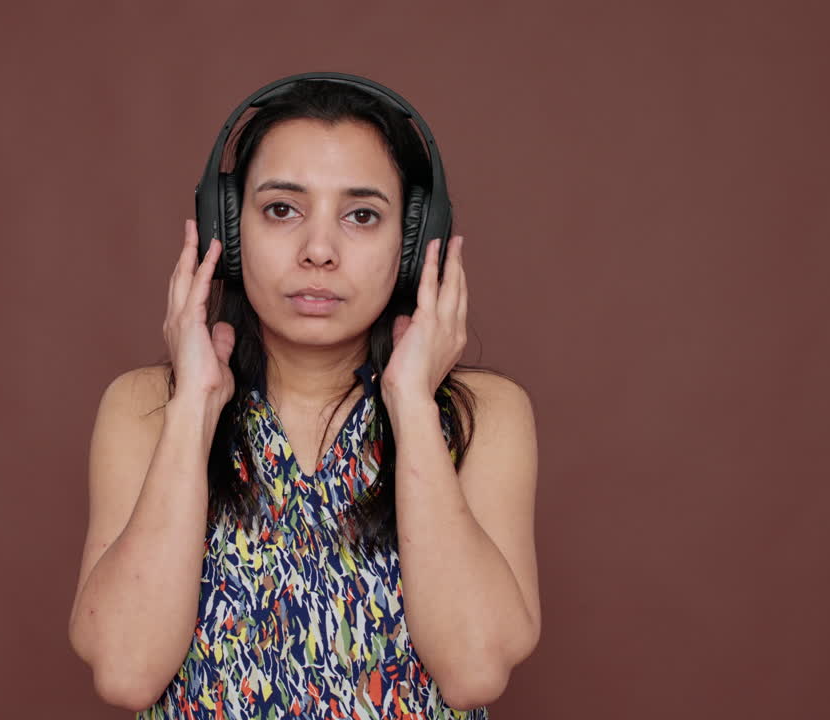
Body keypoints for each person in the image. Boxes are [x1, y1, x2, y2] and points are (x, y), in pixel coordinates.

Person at [68, 76, 540, 720]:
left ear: (412, 244)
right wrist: (195, 406)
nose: (319, 251)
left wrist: (410, 403)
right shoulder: (146, 408)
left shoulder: (480, 415)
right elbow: (125, 672)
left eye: (362, 216)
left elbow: (475, 669)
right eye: (282, 209)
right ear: (227, 228)